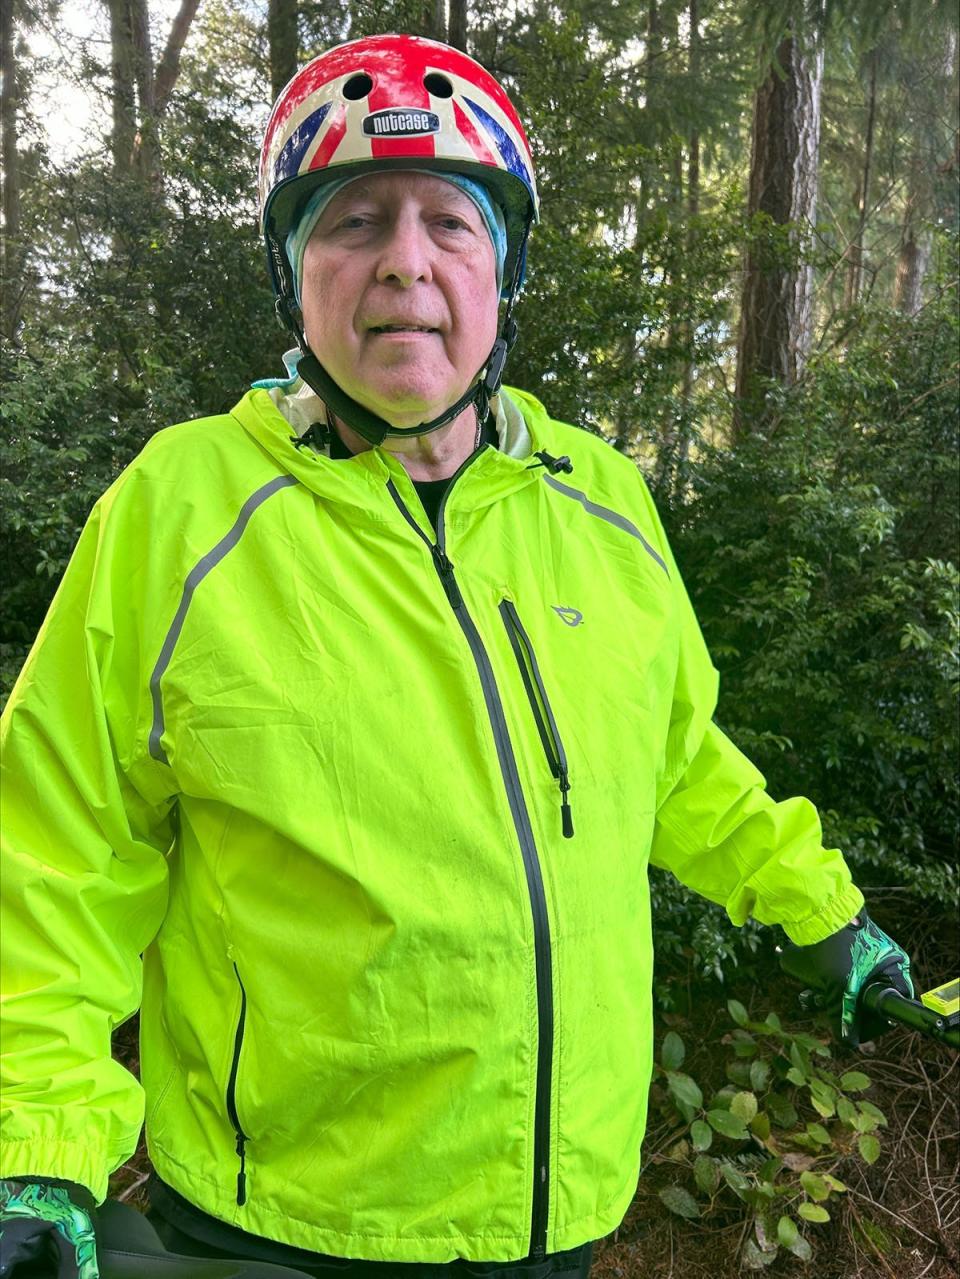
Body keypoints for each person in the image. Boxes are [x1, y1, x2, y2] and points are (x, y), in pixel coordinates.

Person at [0, 33, 913, 1279]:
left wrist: (827, 916)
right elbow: (57, 842)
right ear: (295, 273)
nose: (404, 263)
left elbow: (676, 755)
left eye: (451, 222)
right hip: (285, 1230)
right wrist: (38, 1145)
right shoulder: (183, 512)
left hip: (561, 1211)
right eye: (354, 220)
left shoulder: (599, 499)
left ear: (506, 268)